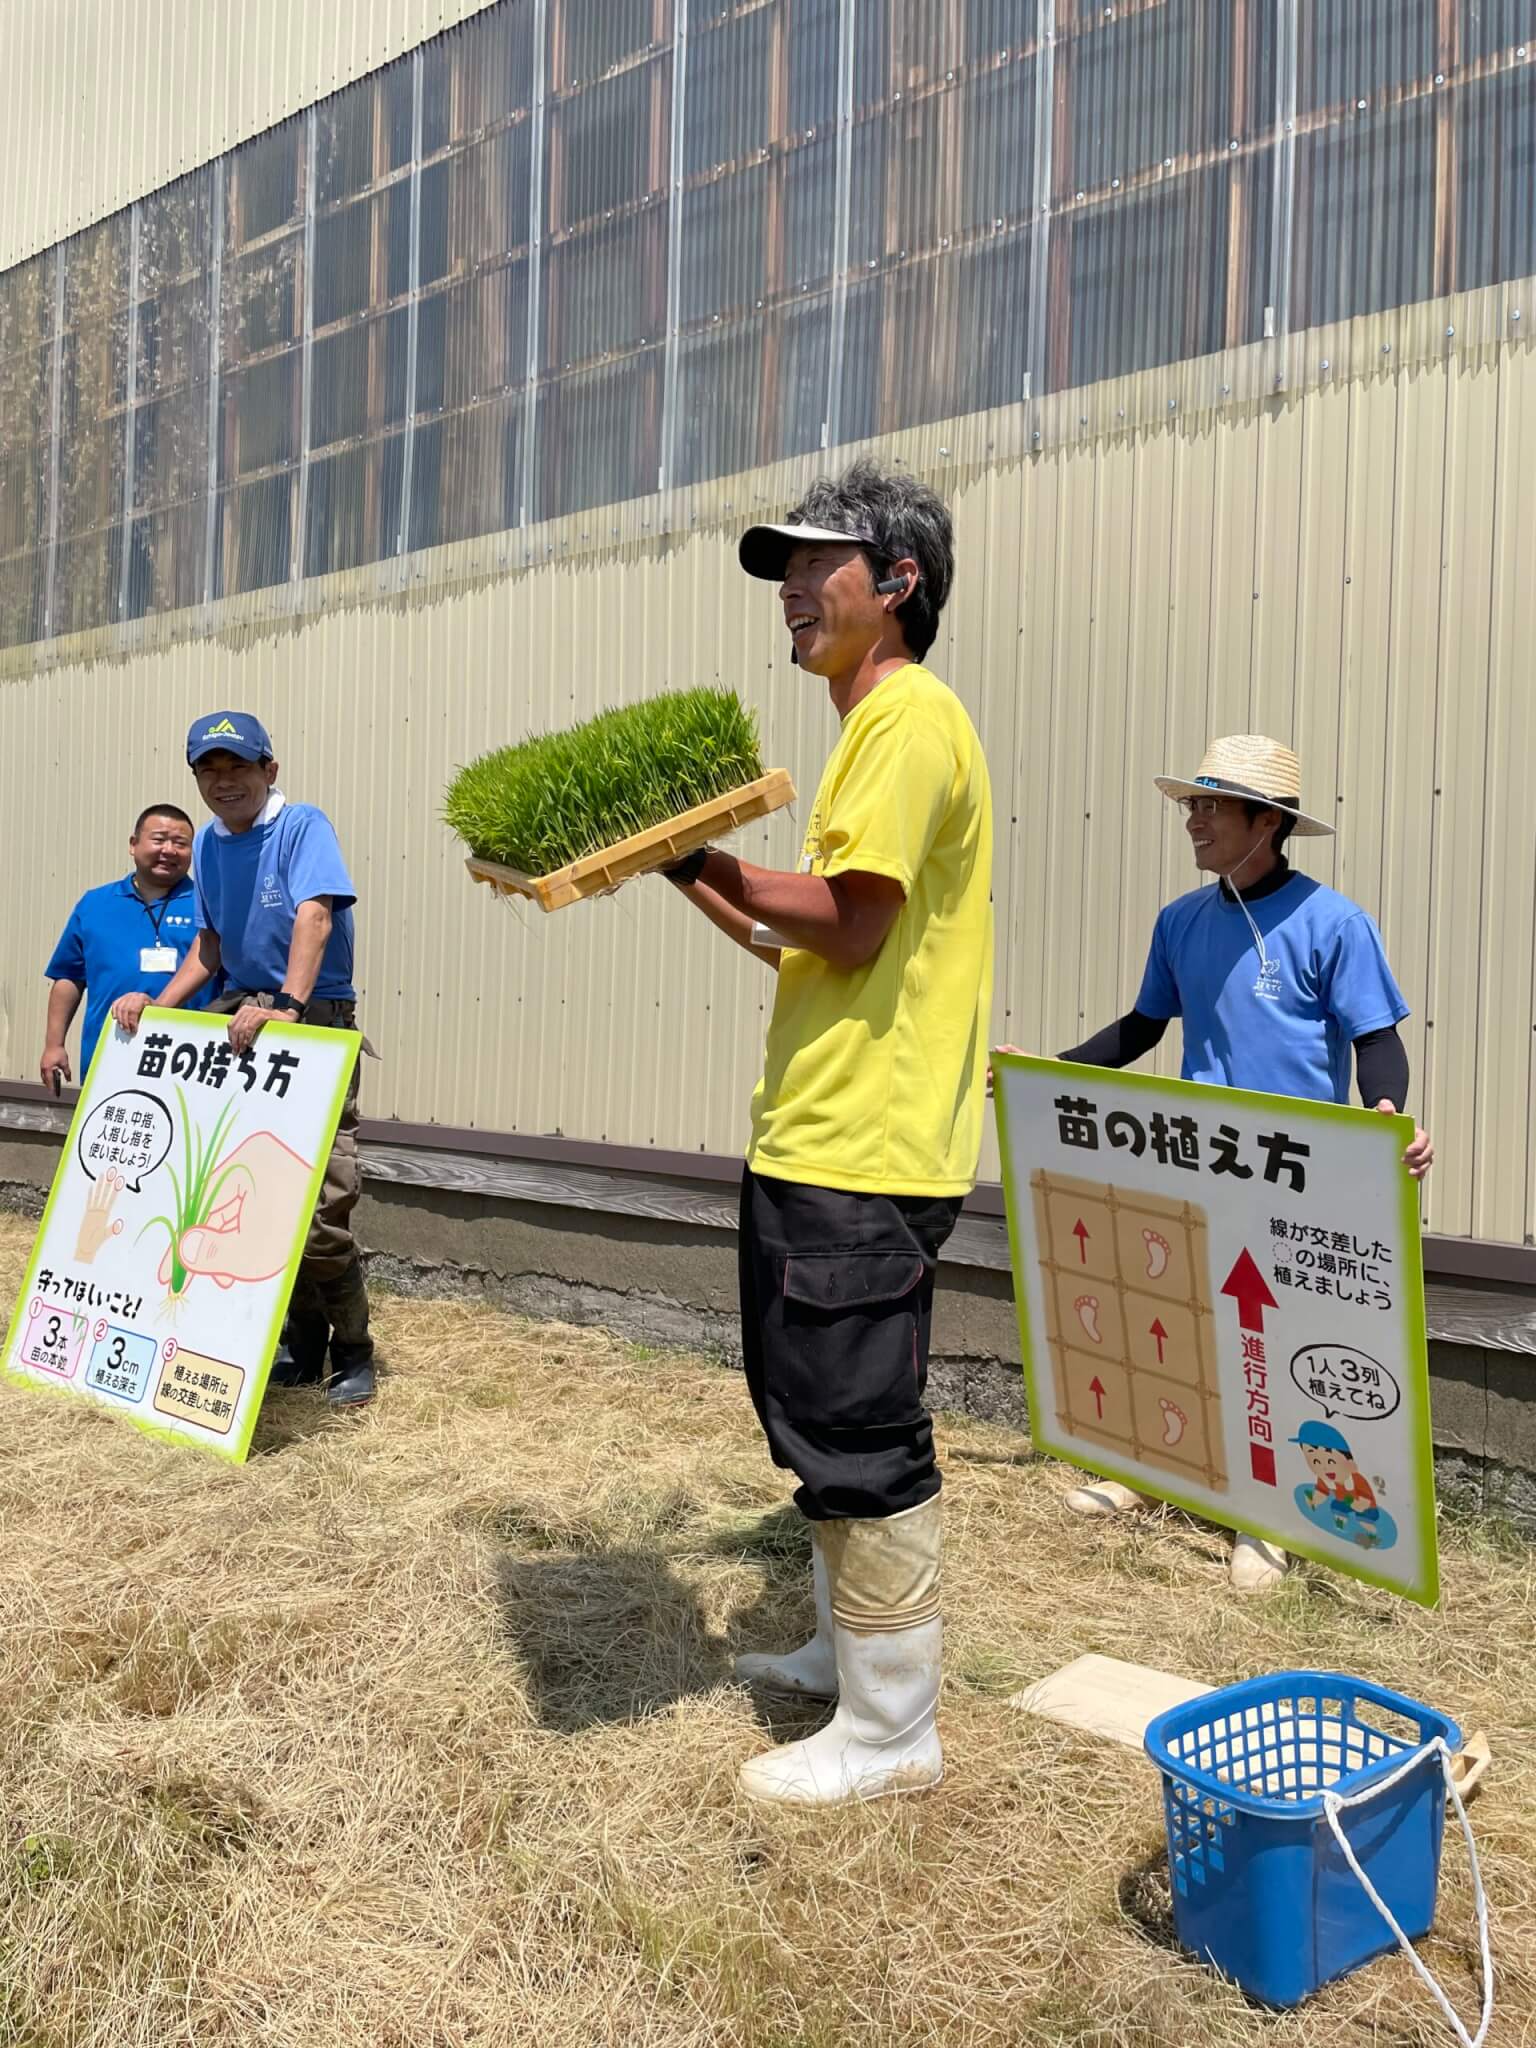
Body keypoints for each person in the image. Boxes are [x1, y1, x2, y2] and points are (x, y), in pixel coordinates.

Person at [662, 458, 993, 1805]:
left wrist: (700, 845)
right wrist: (687, 863)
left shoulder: (909, 718)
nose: (793, 590)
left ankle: (895, 1728)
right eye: (784, 569)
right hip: (819, 1132)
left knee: (857, 1421)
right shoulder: (869, 731)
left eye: (818, 565)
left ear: (896, 584)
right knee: (808, 1409)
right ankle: (844, 1651)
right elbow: (799, 942)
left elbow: (847, 915)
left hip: (867, 1147)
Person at [1034, 733, 1432, 1591]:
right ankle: (1148, 1471)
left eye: (1211, 807)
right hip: (1193, 1160)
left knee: (1275, 1342)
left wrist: (1388, 1118)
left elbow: (1377, 1044)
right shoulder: (1180, 921)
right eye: (1191, 804)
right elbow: (1141, 1029)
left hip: (1295, 1176)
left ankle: (1270, 1521)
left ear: (1268, 823)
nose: (1193, 820)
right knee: (1176, 1314)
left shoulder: (1335, 924)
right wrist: (1047, 1077)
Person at [111, 712, 375, 1409]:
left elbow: (315, 914)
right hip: (239, 1026)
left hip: (308, 1024)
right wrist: (160, 1007)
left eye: (239, 768)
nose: (224, 782)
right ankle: (301, 1343)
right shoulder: (210, 844)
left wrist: (287, 1005)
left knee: (320, 1205)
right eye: (209, 770)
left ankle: (353, 1349)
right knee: (251, 1199)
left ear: (270, 771)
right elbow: (212, 943)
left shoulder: (302, 825)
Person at [41, 805, 211, 1092]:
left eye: (180, 843)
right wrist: (54, 1044)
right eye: (158, 839)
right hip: (110, 1054)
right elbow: (69, 977)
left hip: (188, 1064)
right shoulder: (95, 904)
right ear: (133, 845)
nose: (168, 850)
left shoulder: (207, 904)